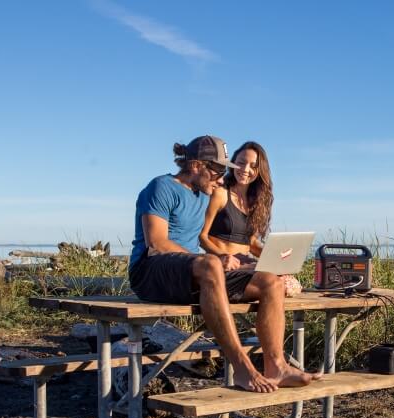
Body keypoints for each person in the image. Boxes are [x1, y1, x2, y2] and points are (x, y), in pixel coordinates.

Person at [128, 135, 316, 393]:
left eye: (225, 170)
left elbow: (225, 235)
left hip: (190, 275)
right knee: (211, 264)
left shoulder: (205, 194)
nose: (222, 176)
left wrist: (259, 258)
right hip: (149, 271)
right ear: (195, 166)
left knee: (270, 282)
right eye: (217, 169)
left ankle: (276, 366)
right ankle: (241, 367)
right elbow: (157, 242)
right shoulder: (162, 187)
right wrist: (213, 259)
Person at [198, 141, 271, 266]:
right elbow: (201, 236)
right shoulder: (220, 194)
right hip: (224, 264)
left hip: (247, 264)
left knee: (289, 282)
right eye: (241, 163)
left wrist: (274, 257)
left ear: (260, 171)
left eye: (253, 166)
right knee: (272, 283)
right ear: (232, 164)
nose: (245, 169)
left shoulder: (257, 202)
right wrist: (223, 257)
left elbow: (252, 244)